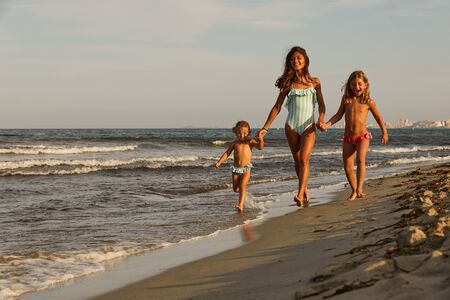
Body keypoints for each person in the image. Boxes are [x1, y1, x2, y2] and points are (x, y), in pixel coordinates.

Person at [257, 46, 325, 207]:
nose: (296, 61)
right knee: (297, 160)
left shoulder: (315, 82)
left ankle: (300, 193)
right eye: (293, 59)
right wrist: (265, 128)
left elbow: (322, 105)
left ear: (306, 60)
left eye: (299, 58)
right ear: (290, 63)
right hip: (291, 126)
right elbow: (277, 107)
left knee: (304, 159)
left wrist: (321, 119)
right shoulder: (288, 84)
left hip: (309, 126)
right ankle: (304, 188)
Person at [322, 70, 388, 200]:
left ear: (365, 85)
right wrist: (327, 124)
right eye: (353, 84)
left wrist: (384, 132)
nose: (356, 87)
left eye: (359, 84)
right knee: (347, 165)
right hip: (348, 137)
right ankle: (353, 190)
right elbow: (338, 115)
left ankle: (359, 189)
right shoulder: (346, 99)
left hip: (362, 136)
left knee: (361, 160)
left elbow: (378, 117)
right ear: (349, 86)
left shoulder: (369, 101)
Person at [214, 121, 264, 213]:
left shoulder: (250, 141)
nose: (242, 135)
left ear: (248, 132)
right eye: (239, 133)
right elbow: (227, 153)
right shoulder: (234, 143)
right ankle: (244, 194)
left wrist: (260, 139)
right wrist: (219, 162)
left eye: (244, 133)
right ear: (235, 133)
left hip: (246, 168)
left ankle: (240, 205)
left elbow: (260, 147)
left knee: (242, 186)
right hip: (236, 169)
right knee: (235, 189)